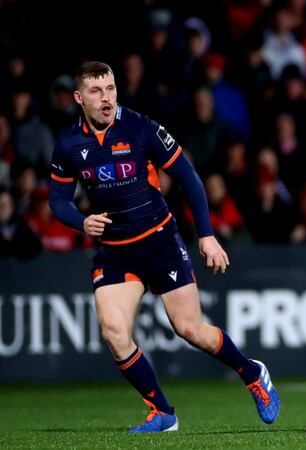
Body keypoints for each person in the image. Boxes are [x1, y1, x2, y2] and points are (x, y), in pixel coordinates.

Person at [48, 61, 279, 432]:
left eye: (110, 88)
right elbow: (58, 200)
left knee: (189, 330)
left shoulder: (141, 127)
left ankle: (252, 373)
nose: (106, 98)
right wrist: (81, 221)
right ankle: (162, 412)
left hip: (159, 242)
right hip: (115, 250)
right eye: (96, 91)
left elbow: (187, 176)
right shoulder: (69, 144)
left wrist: (205, 234)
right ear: (79, 97)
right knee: (113, 332)